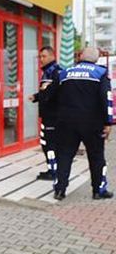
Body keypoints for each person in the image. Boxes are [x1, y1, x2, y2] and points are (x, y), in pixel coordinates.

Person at [43, 47, 113, 200]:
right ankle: (98, 190)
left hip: (66, 123)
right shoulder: (100, 73)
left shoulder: (64, 73)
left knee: (64, 156)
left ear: (81, 56)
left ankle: (60, 190)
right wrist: (108, 123)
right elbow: (106, 99)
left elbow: (49, 95)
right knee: (96, 157)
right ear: (96, 58)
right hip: (92, 124)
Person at [28, 46, 62, 181]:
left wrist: (41, 96)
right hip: (48, 116)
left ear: (52, 56)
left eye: (44, 56)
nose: (41, 59)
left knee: (50, 144)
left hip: (54, 116)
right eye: (40, 56)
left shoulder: (56, 72)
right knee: (46, 143)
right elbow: (46, 92)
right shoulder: (47, 72)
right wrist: (36, 97)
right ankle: (51, 169)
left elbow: (52, 93)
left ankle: (54, 172)